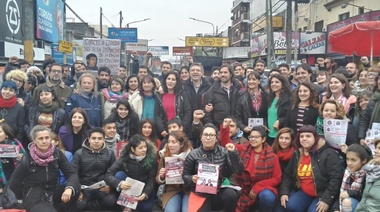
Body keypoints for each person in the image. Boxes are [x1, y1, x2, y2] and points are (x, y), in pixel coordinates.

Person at [8, 125, 80, 212]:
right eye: (41, 138)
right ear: (34, 140)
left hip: (53, 191)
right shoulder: (27, 158)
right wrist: (20, 201)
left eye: (47, 138)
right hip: (34, 196)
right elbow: (14, 183)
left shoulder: (57, 154)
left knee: (75, 189)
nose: (44, 141)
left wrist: (69, 188)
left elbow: (71, 173)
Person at [278, 125, 343, 212]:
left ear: (315, 138)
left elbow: (335, 179)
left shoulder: (328, 153)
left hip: (322, 193)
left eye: (308, 136)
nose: (304, 139)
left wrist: (326, 200)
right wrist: (284, 192)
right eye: (301, 136)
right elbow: (287, 174)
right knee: (290, 206)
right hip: (304, 192)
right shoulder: (297, 153)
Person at [220, 120, 281, 212]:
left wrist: (257, 187)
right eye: (251, 137)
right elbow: (227, 144)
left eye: (256, 137)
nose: (252, 139)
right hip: (245, 189)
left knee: (267, 197)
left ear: (263, 139)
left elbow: (276, 178)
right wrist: (225, 128)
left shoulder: (272, 156)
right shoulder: (243, 149)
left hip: (263, 189)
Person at [182, 123, 244, 212]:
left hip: (219, 191)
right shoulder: (193, 154)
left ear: (216, 138)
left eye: (211, 135)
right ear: (201, 137)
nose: (208, 137)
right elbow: (185, 176)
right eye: (206, 135)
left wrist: (233, 153)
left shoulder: (223, 152)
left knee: (231, 194)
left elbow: (237, 170)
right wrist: (192, 178)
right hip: (201, 193)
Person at [105, 134, 158, 212]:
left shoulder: (151, 159)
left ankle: (134, 205)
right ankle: (127, 204)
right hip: (128, 188)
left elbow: (151, 179)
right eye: (140, 148)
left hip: (144, 189)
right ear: (132, 149)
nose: (144, 150)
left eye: (145, 147)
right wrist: (119, 183)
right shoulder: (124, 158)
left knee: (146, 208)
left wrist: (145, 194)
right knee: (119, 175)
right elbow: (108, 175)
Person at [73, 128, 117, 211]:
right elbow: (73, 173)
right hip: (84, 187)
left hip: (102, 187)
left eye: (99, 139)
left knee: (111, 201)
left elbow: (113, 172)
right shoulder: (79, 153)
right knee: (79, 205)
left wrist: (110, 186)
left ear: (104, 140)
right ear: (89, 139)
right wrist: (78, 190)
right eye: (94, 138)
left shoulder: (110, 153)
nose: (96, 141)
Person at [156, 131, 192, 211]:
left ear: (181, 144)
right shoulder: (165, 156)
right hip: (172, 190)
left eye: (174, 142)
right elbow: (158, 180)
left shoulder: (191, 156)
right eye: (169, 142)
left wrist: (186, 174)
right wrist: (161, 176)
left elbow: (196, 176)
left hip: (188, 190)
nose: (170, 145)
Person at [331, 144, 371, 212]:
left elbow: (366, 196)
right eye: (347, 159)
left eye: (353, 160)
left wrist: (350, 193)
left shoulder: (368, 175)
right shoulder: (346, 171)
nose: (349, 163)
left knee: (349, 201)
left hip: (360, 206)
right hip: (342, 205)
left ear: (363, 161)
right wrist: (336, 209)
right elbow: (338, 193)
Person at [155, 71, 192, 138]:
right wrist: (161, 129)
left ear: (177, 81)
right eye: (168, 79)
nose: (170, 81)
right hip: (165, 130)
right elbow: (157, 114)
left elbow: (188, 111)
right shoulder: (159, 95)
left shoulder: (182, 94)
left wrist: (182, 128)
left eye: (173, 79)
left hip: (180, 129)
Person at [355, 138, 380, 212]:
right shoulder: (371, 171)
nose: (375, 151)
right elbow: (364, 200)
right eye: (376, 148)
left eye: (379, 148)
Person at [267, 74, 292, 145]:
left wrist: (280, 121)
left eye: (277, 82)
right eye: (272, 82)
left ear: (283, 84)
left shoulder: (289, 99)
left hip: (281, 135)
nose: (274, 84)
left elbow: (290, 115)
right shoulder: (270, 98)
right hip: (269, 134)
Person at [0, 122, 25, 189]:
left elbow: (25, 158)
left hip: (15, 181)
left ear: (6, 134)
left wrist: (22, 158)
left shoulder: (15, 143)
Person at [359, 75, 380, 144]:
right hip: (371, 139)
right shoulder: (373, 99)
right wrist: (361, 137)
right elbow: (364, 120)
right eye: (379, 79)